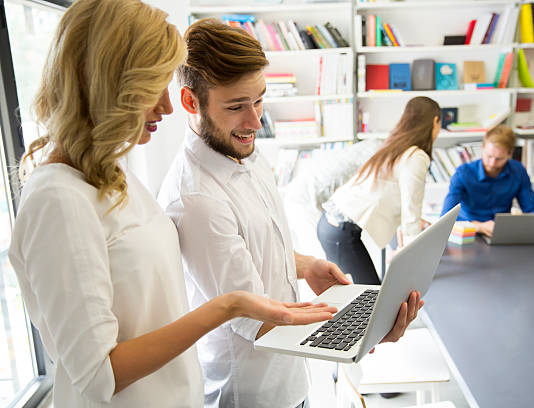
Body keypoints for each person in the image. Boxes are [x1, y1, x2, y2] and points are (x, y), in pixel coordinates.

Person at [7, 2, 336, 407]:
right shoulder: (58, 200)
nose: (165, 107)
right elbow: (97, 376)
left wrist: (299, 266)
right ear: (106, 85)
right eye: (151, 89)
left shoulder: (110, 176)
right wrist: (227, 307)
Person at [158, 18, 423, 408]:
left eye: (259, 99)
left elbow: (253, 242)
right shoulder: (195, 199)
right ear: (189, 102)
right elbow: (256, 321)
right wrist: (362, 333)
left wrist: (304, 265)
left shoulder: (241, 148)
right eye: (236, 106)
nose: (254, 121)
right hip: (250, 393)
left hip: (288, 380)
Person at [317, 96, 442, 285]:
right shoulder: (416, 156)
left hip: (333, 225)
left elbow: (396, 202)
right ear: (435, 121)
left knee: (367, 297)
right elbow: (411, 213)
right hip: (340, 230)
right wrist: (414, 264)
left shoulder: (396, 147)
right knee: (371, 299)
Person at [440, 124, 534, 237]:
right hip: (468, 233)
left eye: (499, 159)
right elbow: (444, 220)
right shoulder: (463, 173)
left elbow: (532, 210)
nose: (492, 163)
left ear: (509, 155)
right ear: (482, 149)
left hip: (502, 234)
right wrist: (479, 227)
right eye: (489, 156)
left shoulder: (518, 171)